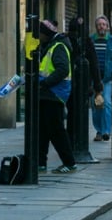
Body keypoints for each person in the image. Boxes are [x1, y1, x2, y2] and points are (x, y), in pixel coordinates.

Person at [37, 20, 78, 174]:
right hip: (47, 94)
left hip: (54, 94)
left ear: (45, 34)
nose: (38, 37)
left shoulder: (58, 47)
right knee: (42, 131)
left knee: (56, 131)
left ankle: (70, 163)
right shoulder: (49, 46)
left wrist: (45, 83)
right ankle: (40, 163)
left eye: (39, 34)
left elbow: (62, 70)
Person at [65, 17, 103, 140]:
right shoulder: (86, 42)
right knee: (78, 111)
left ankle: (72, 136)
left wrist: (97, 84)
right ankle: (77, 136)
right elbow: (94, 63)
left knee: (72, 111)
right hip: (80, 83)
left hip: (71, 83)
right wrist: (97, 85)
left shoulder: (67, 40)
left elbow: (94, 63)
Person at [90, 15, 112, 142]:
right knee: (96, 105)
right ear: (96, 26)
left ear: (107, 27)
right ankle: (99, 130)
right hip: (93, 80)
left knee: (107, 104)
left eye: (104, 24)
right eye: (99, 24)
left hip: (108, 79)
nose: (101, 27)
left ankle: (106, 131)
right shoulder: (90, 41)